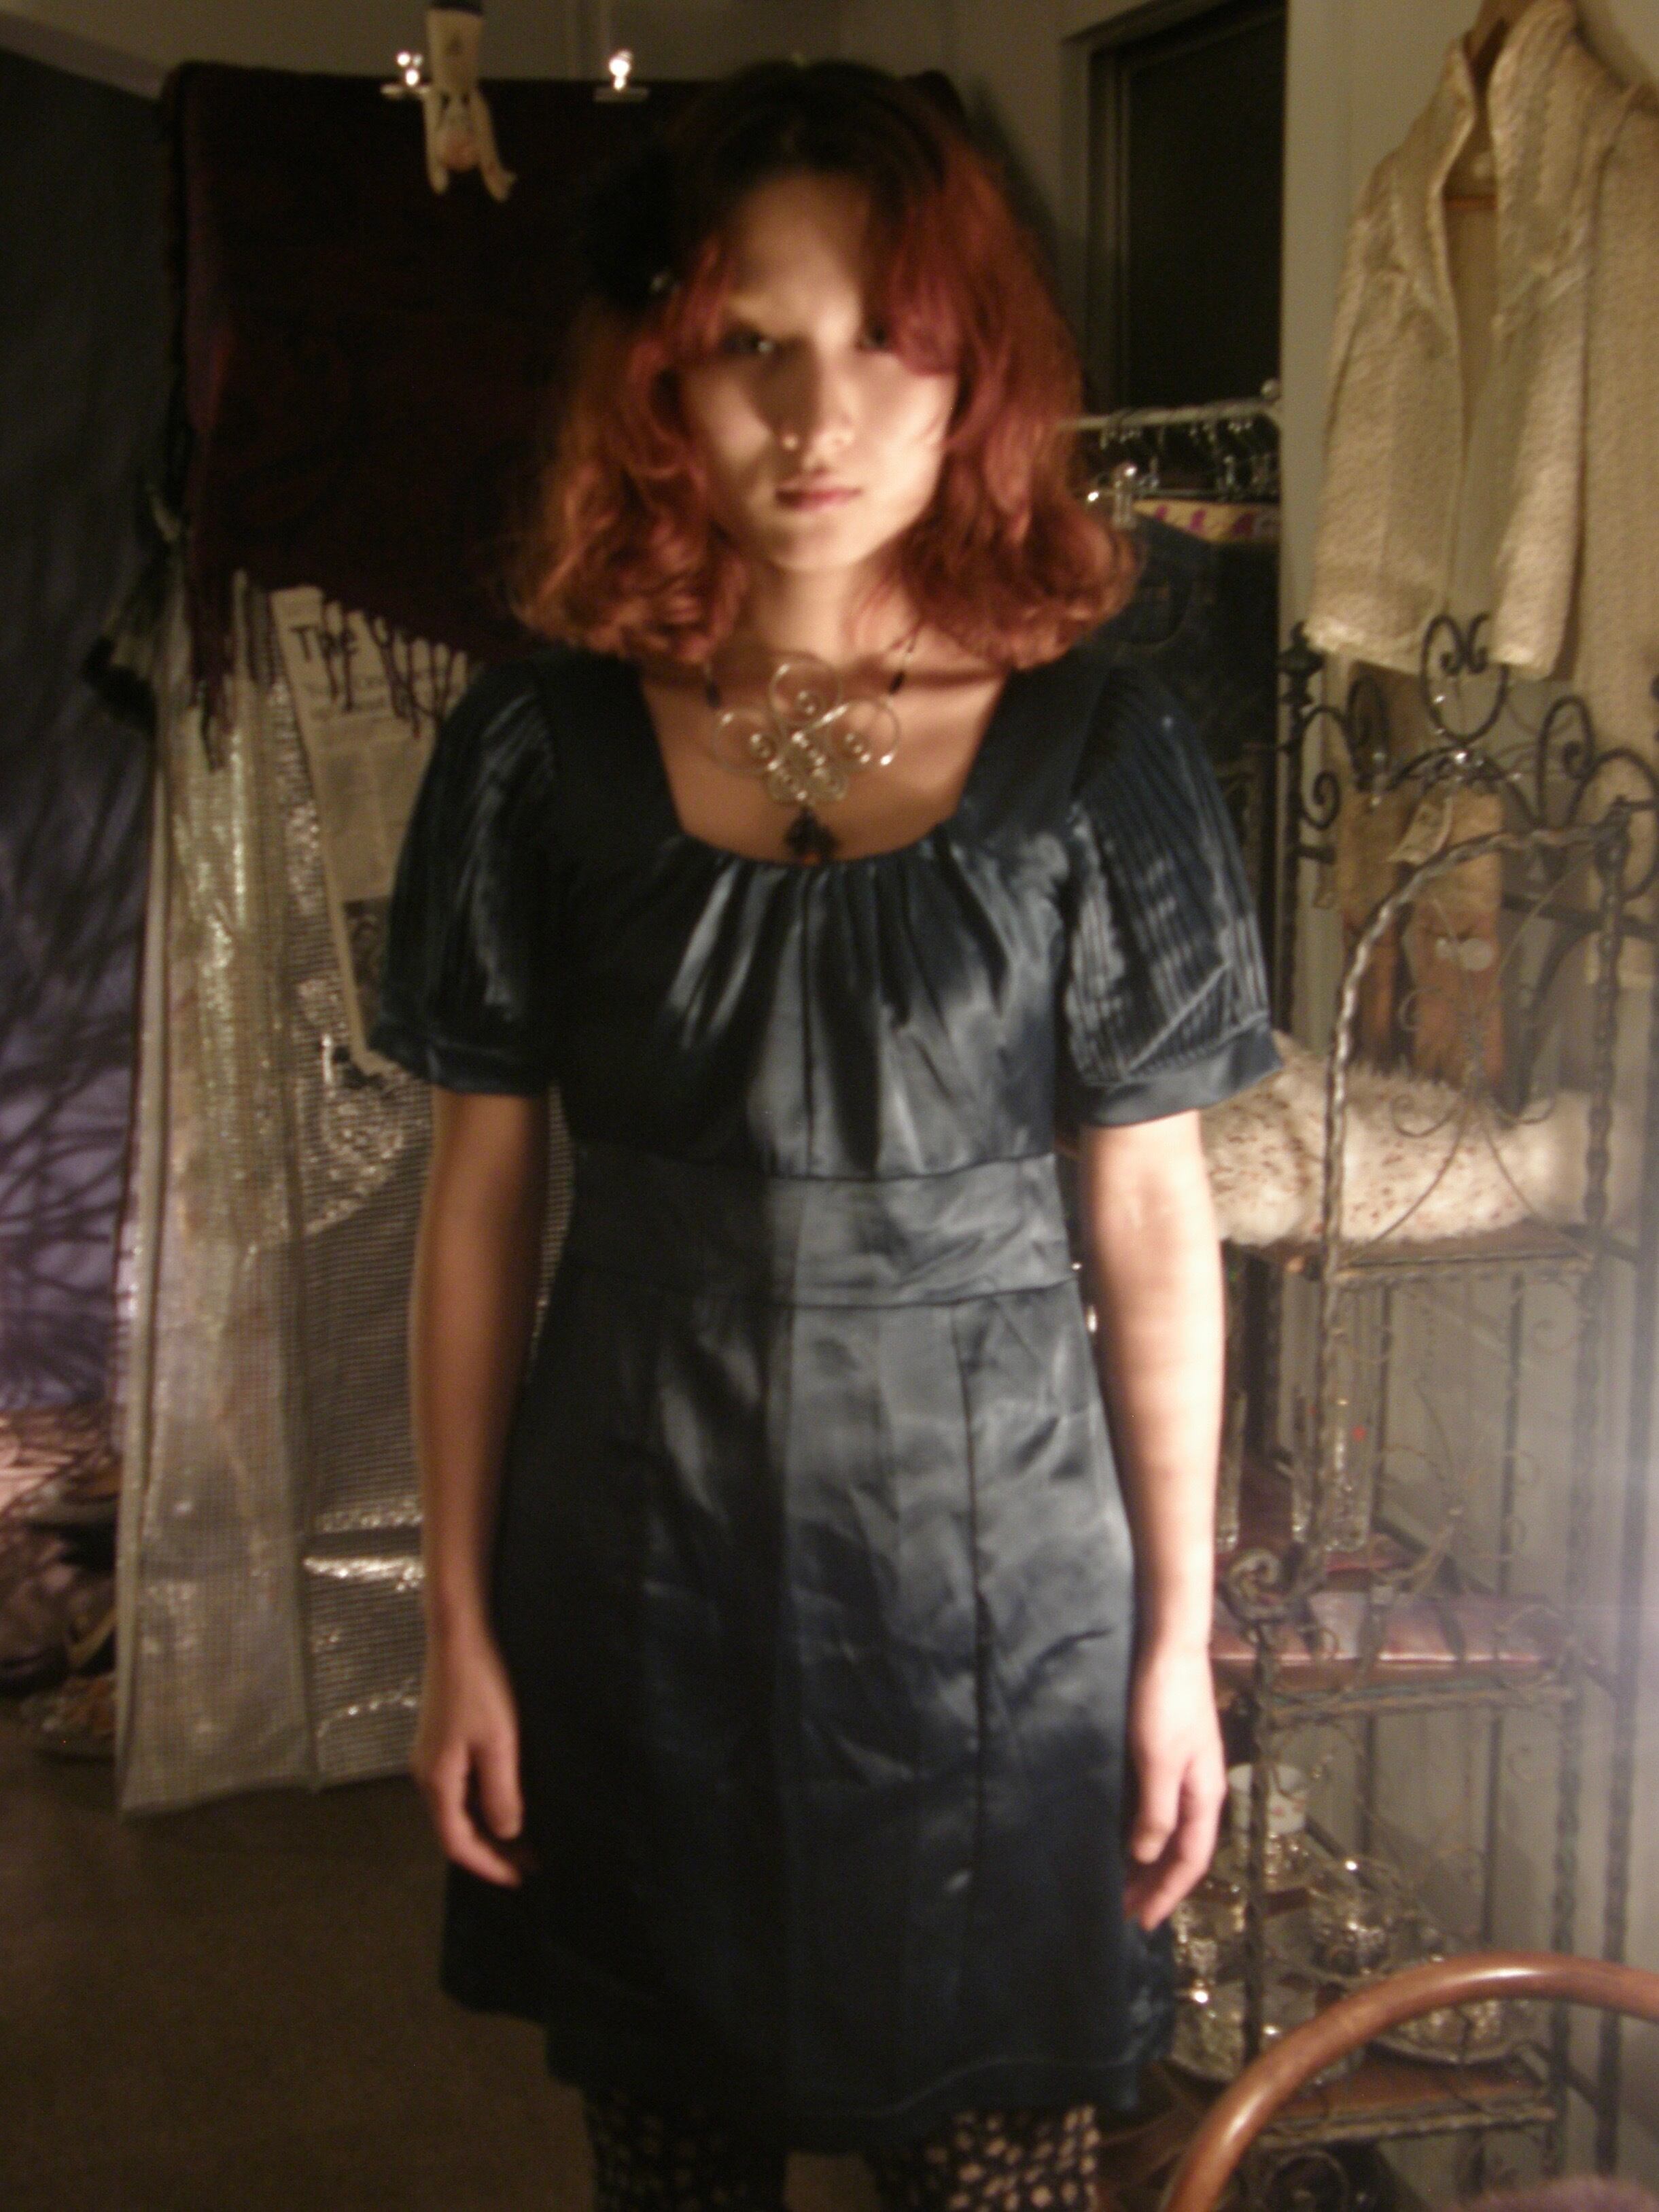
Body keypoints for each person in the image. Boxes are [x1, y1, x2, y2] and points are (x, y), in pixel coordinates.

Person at [370, 58, 1280, 2212]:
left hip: (1001, 1607)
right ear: (658, 383)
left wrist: (1178, 1642)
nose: (814, 413)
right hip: (632, 1574)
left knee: (1003, 2164)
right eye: (749, 344)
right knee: (671, 2162)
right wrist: (458, 1622)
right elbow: (480, 1205)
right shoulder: (534, 751)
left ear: (978, 379)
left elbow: (1153, 1226)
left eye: (886, 339)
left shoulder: (1098, 753)